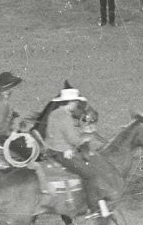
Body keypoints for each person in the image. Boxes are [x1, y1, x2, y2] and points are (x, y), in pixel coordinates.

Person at [44, 87, 110, 217]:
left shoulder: (54, 113)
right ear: (71, 102)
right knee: (90, 175)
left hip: (51, 151)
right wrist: (86, 135)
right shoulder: (66, 117)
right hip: (62, 154)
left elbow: (55, 134)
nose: (76, 105)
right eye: (75, 102)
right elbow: (74, 139)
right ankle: (93, 208)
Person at [0, 71, 23, 146]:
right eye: (6, 89)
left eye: (10, 88)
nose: (9, 91)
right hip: (0, 136)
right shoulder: (2, 103)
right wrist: (12, 133)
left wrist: (11, 115)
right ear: (1, 90)